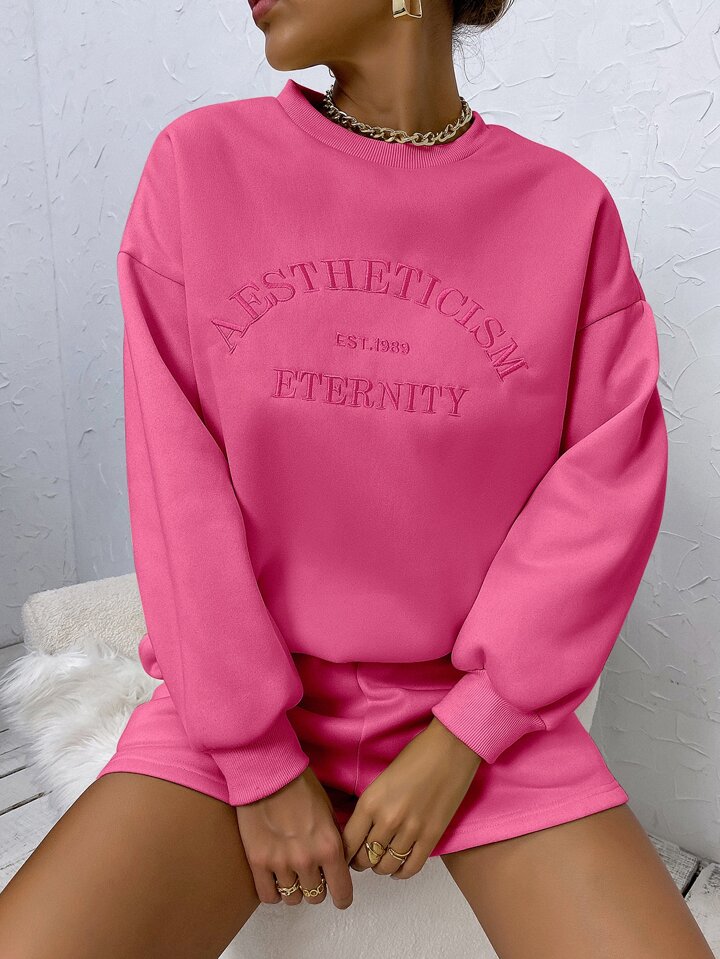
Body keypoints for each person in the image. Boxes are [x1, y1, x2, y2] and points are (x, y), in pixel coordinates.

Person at [0, 0, 714, 956]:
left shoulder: (565, 211)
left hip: (477, 729)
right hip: (241, 712)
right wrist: (258, 761)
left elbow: (602, 492)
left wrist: (468, 733)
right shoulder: (201, 167)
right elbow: (177, 485)